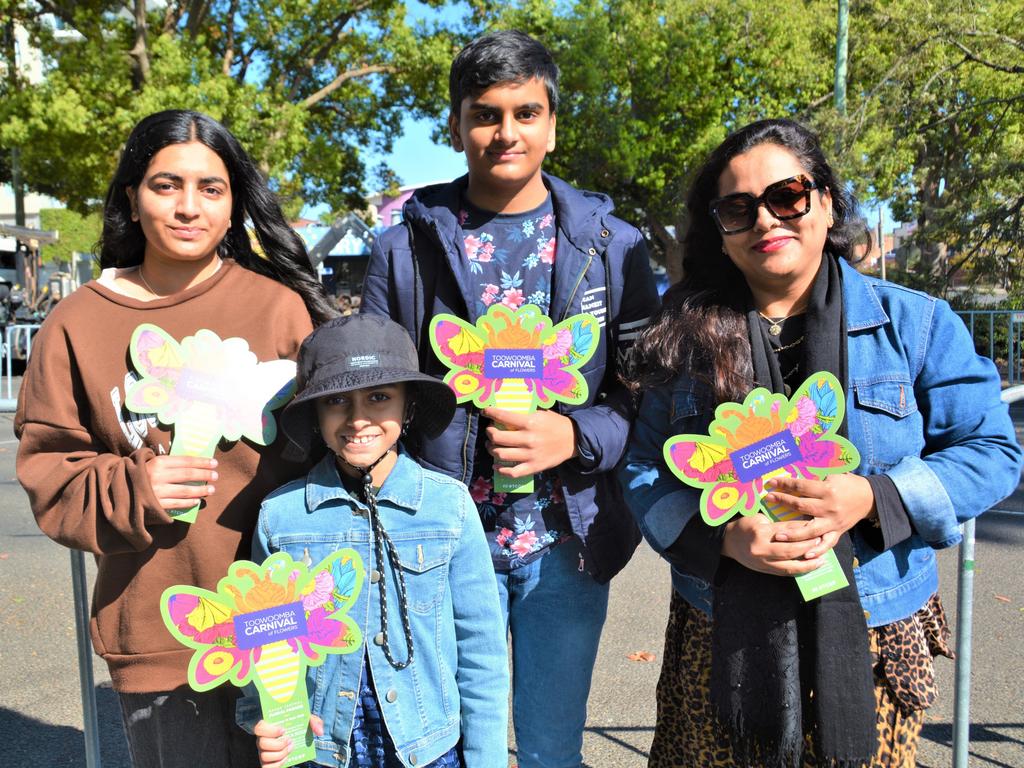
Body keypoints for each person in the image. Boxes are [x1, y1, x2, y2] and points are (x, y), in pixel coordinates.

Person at [620, 117, 1023, 768]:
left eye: (788, 196)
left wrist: (871, 496)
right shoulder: (687, 335)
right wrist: (719, 537)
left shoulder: (917, 326)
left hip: (871, 632)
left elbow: (991, 451)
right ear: (720, 231)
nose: (767, 220)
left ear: (826, 201)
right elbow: (643, 467)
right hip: (720, 630)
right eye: (738, 207)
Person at [360, 29, 659, 767]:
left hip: (567, 541)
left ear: (553, 124)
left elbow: (646, 394)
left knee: (553, 746)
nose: (506, 132)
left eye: (526, 113)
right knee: (458, 746)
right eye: (486, 114)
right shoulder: (403, 249)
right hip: (443, 541)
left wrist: (576, 436)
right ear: (457, 125)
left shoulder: (614, 247)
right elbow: (375, 391)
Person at [15, 109, 334, 768]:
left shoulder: (280, 308)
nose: (188, 207)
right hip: (158, 634)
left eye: (210, 189)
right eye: (165, 185)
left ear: (234, 204)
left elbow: (337, 455)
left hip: (282, 627)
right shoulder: (77, 323)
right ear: (131, 198)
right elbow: (50, 475)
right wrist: (136, 485)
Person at [246, 314, 508, 768]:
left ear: (407, 407)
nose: (358, 418)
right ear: (315, 415)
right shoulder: (280, 518)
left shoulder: (449, 506)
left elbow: (481, 650)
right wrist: (266, 722)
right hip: (324, 751)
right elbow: (263, 647)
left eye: (379, 397)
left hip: (429, 747)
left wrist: (486, 759)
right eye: (336, 401)